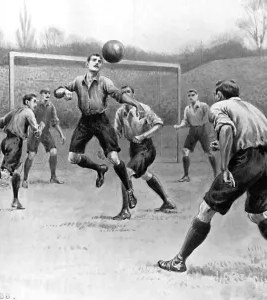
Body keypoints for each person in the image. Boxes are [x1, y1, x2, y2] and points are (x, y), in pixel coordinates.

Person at [158, 79, 267, 273]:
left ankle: (178, 261)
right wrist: (226, 144)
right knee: (257, 214)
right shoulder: (252, 108)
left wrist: (225, 167)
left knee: (206, 209)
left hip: (247, 160)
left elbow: (226, 129)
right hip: (265, 161)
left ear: (218, 94)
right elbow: (250, 135)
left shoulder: (218, 107)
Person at [54, 53, 145, 205]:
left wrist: (136, 104)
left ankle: (129, 191)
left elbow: (118, 95)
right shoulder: (77, 81)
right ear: (87, 64)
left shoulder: (105, 82)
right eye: (94, 60)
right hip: (85, 122)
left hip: (101, 121)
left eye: (100, 61)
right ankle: (99, 169)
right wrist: (64, 91)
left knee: (114, 158)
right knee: (73, 158)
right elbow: (57, 92)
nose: (97, 63)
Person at [113, 86, 176, 220]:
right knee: (145, 175)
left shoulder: (143, 108)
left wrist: (143, 136)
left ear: (133, 95)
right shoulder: (120, 112)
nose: (125, 95)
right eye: (122, 93)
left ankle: (125, 211)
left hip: (146, 149)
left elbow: (159, 123)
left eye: (128, 92)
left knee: (125, 174)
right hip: (134, 149)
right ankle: (167, 202)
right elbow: (116, 132)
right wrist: (109, 145)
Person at [22, 88, 66, 188]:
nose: (47, 95)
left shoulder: (51, 107)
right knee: (31, 156)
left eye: (49, 93)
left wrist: (61, 134)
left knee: (54, 152)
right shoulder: (34, 105)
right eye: (45, 93)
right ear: (41, 94)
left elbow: (55, 122)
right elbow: (26, 119)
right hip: (35, 134)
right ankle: (24, 179)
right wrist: (26, 132)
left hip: (45, 133)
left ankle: (53, 177)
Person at [174, 89, 217, 182]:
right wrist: (179, 126)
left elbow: (210, 118)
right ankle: (186, 176)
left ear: (197, 96)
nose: (191, 97)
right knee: (185, 151)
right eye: (189, 96)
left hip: (202, 130)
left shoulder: (204, 106)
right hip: (192, 131)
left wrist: (212, 132)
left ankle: (216, 175)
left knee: (209, 152)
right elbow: (185, 121)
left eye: (193, 95)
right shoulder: (187, 108)